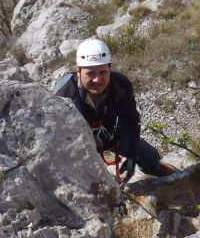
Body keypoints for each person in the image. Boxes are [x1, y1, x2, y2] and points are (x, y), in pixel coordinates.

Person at [54, 38, 174, 181]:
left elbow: (131, 119)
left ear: (110, 69)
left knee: (150, 157)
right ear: (78, 71)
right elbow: (59, 139)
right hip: (81, 144)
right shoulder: (63, 95)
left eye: (103, 72)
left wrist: (131, 154)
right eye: (91, 73)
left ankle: (158, 169)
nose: (97, 80)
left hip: (113, 134)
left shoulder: (120, 85)